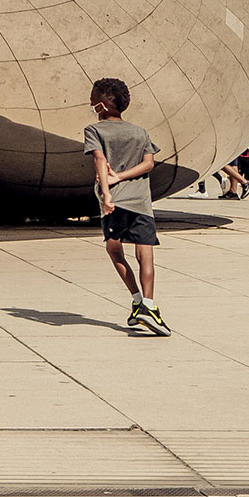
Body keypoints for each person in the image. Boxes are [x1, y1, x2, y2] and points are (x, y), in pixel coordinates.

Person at [82, 78, 166, 335]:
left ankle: (137, 299)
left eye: (93, 100)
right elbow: (149, 163)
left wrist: (108, 191)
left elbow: (99, 159)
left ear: (101, 107)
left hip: (115, 201)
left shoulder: (94, 130)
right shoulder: (140, 132)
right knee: (146, 253)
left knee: (114, 249)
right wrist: (123, 175)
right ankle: (149, 306)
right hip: (141, 201)